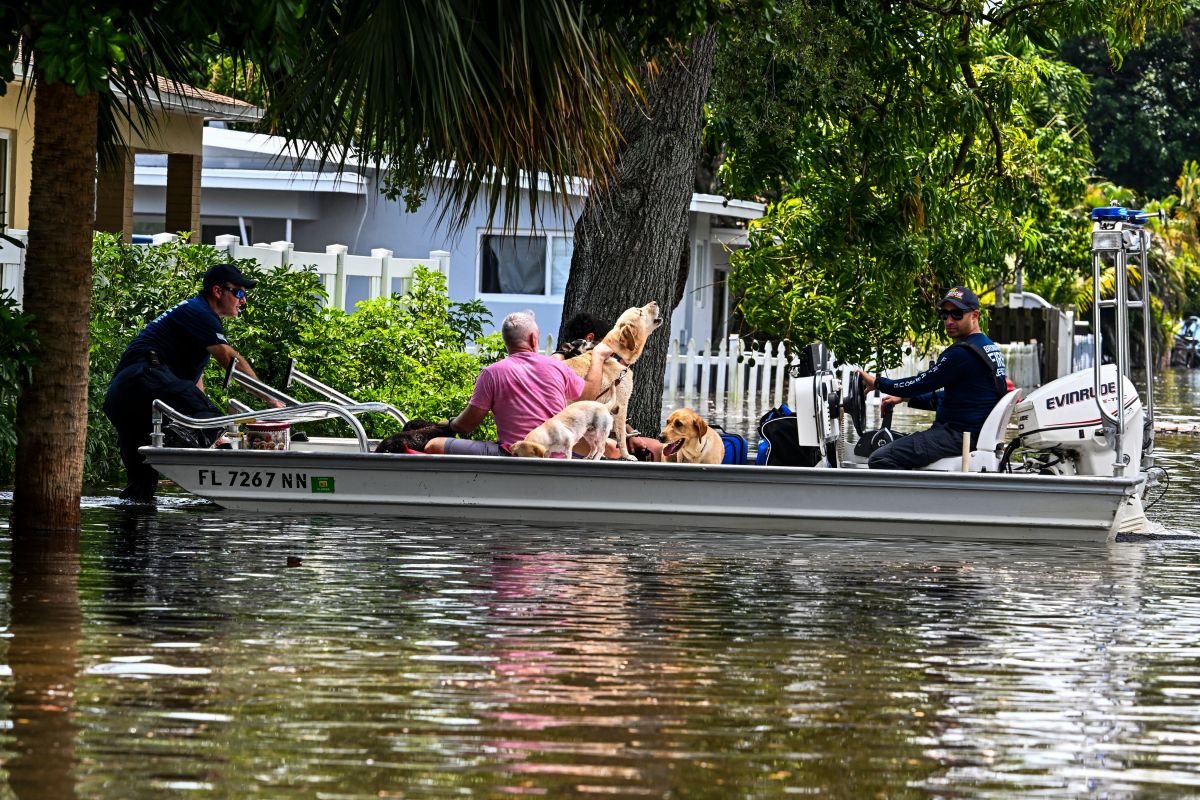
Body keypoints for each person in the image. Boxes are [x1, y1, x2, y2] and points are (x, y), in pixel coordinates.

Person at [104, 263, 285, 502]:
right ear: (218, 291)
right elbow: (230, 360)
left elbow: (192, 385)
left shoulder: (192, 321)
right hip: (143, 378)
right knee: (213, 423)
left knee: (142, 488)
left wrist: (202, 413)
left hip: (124, 396)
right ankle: (244, 486)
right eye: (239, 293)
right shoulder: (200, 312)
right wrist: (270, 398)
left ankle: (135, 532)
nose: (243, 301)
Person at [858, 286, 1008, 470]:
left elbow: (921, 383)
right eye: (945, 315)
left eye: (957, 314)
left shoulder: (961, 354)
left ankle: (916, 499)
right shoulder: (989, 348)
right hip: (971, 432)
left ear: (975, 315)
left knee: (880, 458)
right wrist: (906, 398)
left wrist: (879, 383)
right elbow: (960, 399)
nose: (949, 321)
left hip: (957, 436)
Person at [425, 310, 611, 456]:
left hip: (513, 454)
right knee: (609, 448)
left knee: (433, 445)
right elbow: (589, 395)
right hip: (556, 454)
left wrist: (448, 424)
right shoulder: (556, 367)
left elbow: (466, 426)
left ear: (506, 341)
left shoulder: (491, 373)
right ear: (533, 339)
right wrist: (598, 357)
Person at [551, 312, 665, 462]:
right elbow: (586, 401)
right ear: (590, 339)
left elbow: (610, 408)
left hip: (595, 429)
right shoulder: (561, 362)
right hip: (568, 432)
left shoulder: (598, 365)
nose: (609, 351)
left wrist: (630, 433)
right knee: (611, 449)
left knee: (657, 448)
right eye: (603, 343)